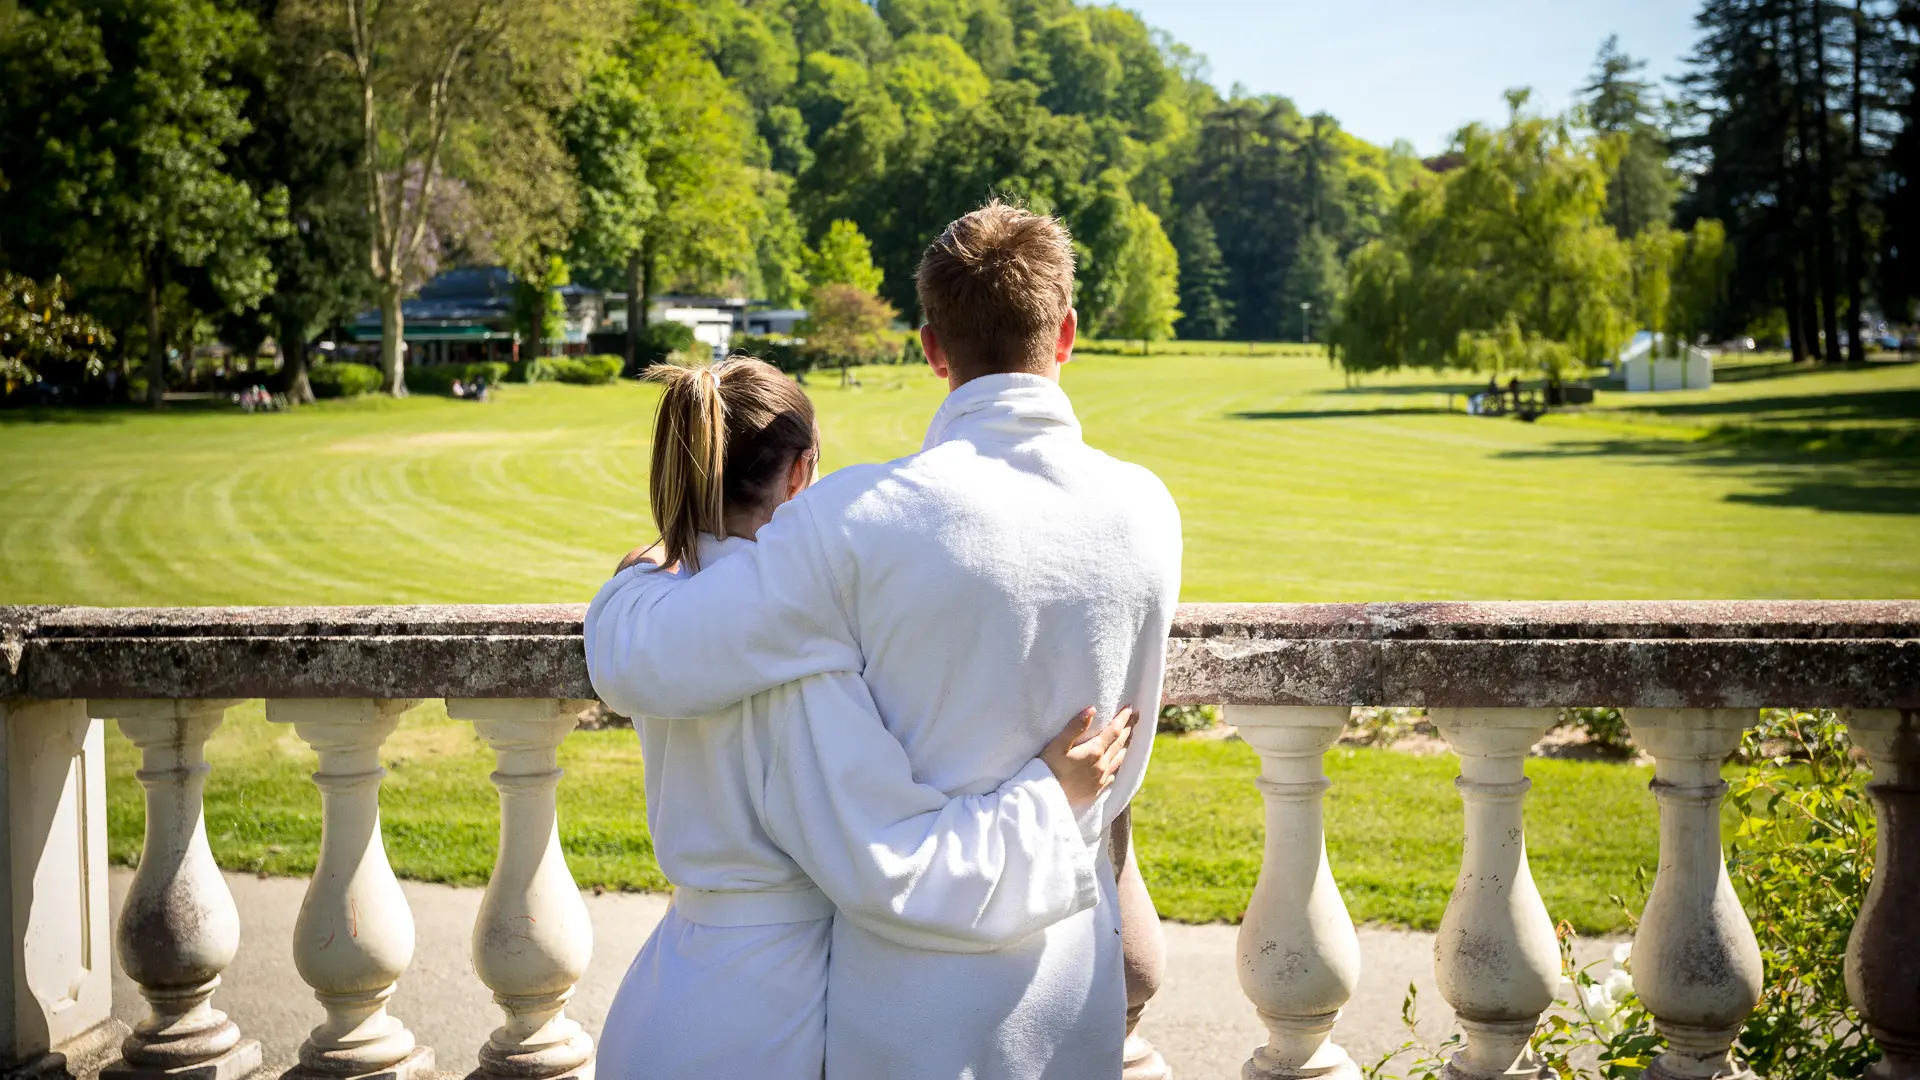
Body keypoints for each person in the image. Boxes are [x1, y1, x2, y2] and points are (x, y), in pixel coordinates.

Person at [587, 201, 1183, 1080]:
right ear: (1066, 334)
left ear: (932, 346)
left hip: (910, 997)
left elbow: (652, 657)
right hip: (1075, 975)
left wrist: (637, 578)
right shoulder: (1149, 510)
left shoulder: (857, 520)